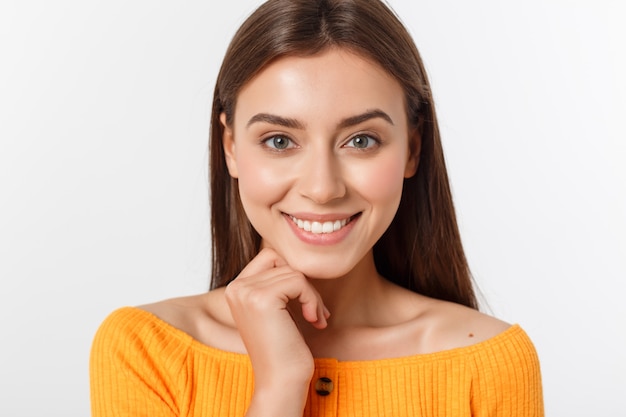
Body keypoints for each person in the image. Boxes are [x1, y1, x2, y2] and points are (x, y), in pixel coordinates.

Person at [90, 0, 544, 415]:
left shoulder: (488, 361)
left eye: (362, 140)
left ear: (412, 148)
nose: (323, 188)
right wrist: (278, 387)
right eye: (280, 141)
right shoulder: (146, 352)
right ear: (230, 147)